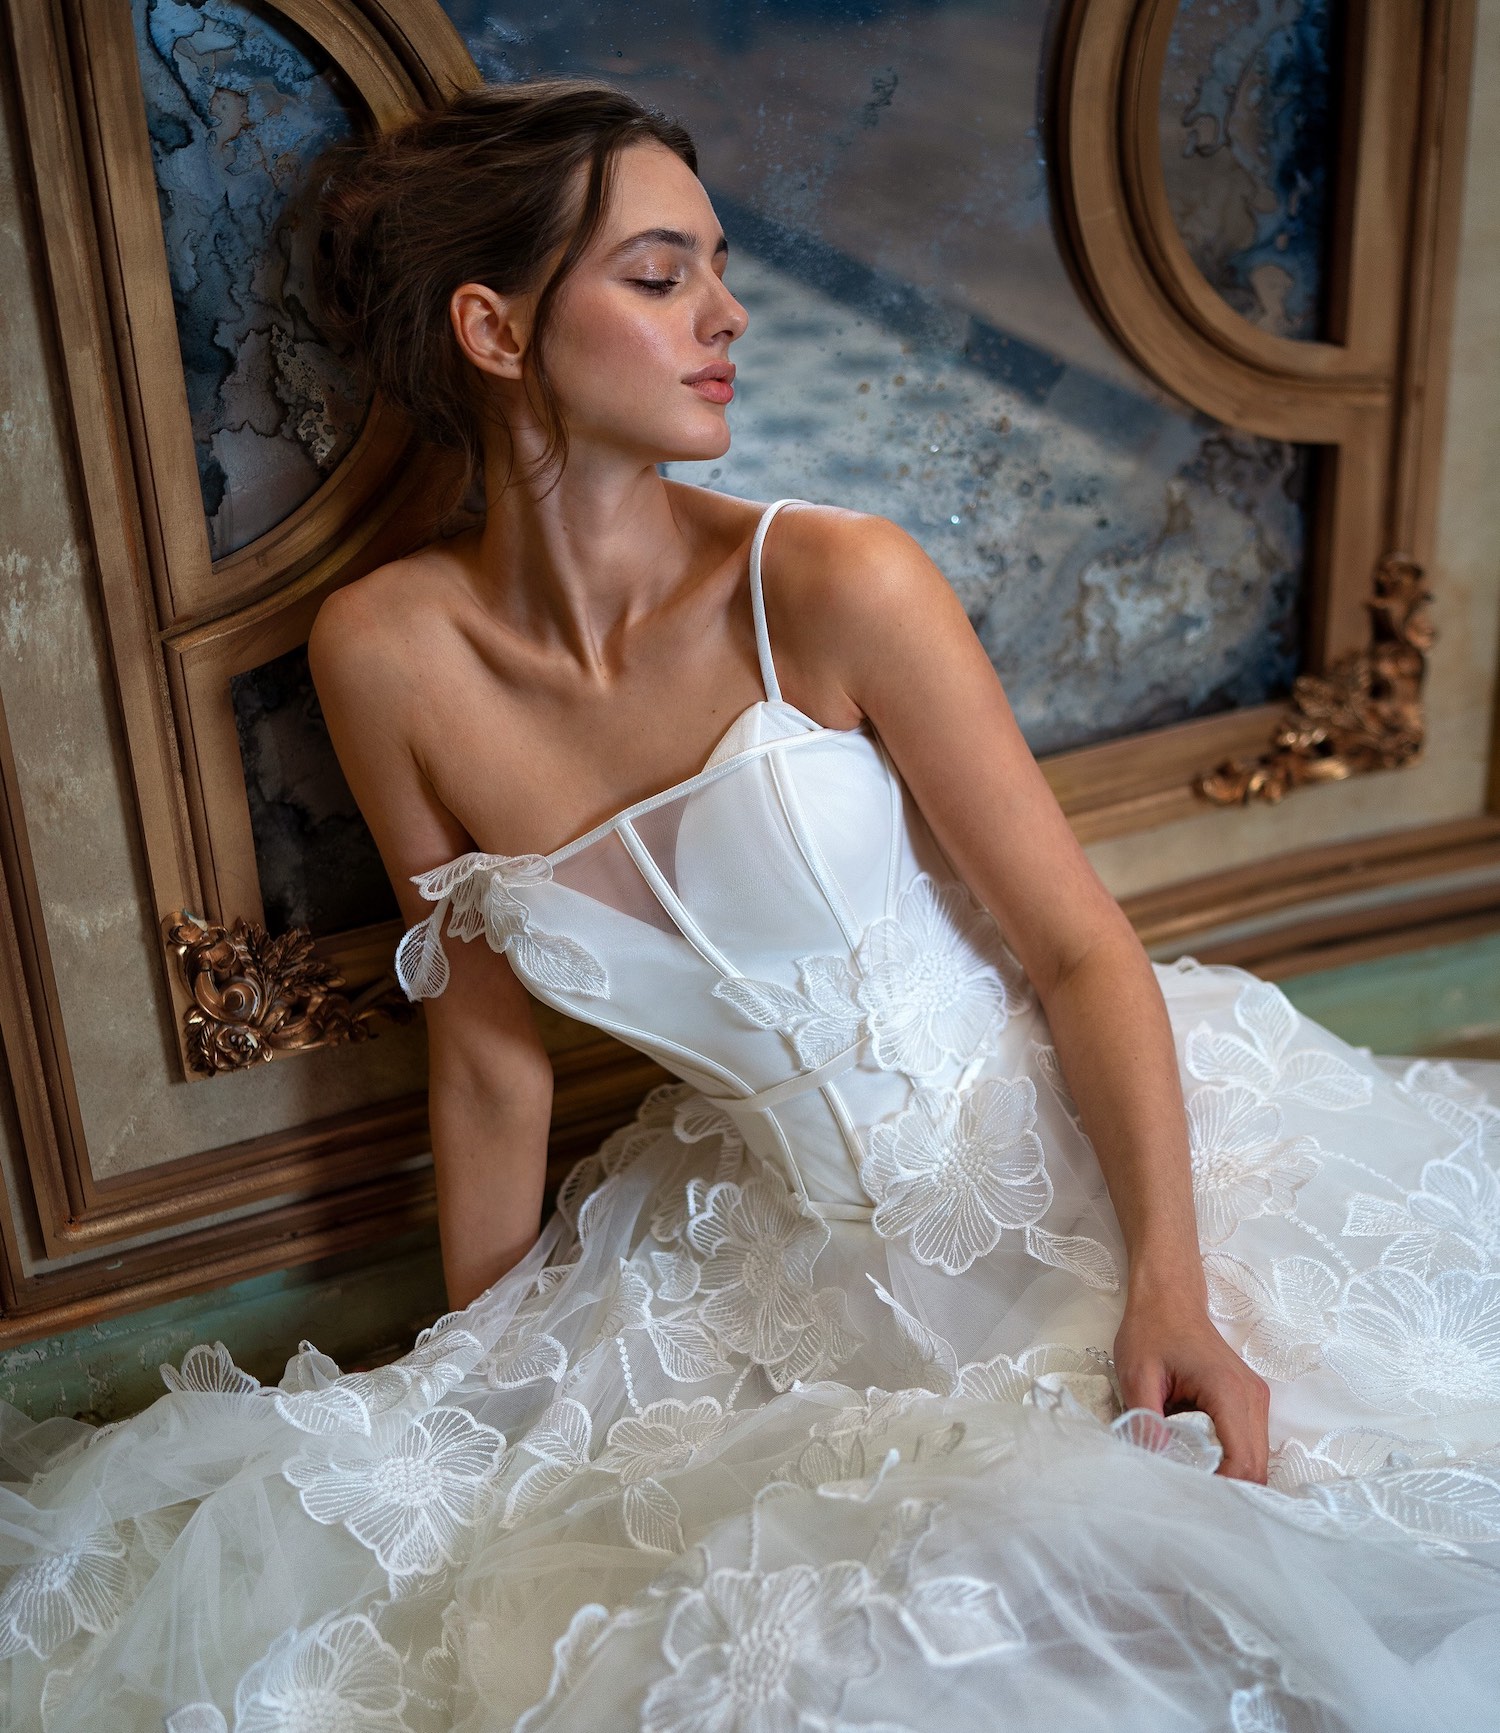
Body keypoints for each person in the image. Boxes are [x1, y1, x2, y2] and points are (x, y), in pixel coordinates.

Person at [3, 79, 1499, 1732]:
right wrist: (470, 1390)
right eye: (658, 277)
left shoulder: (838, 583)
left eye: (716, 265)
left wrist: (1169, 1282)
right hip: (756, 1260)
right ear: (495, 330)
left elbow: (1077, 947)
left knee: (1216, 1571)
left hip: (1061, 1172)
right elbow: (488, 1058)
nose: (726, 314)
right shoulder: (388, 656)